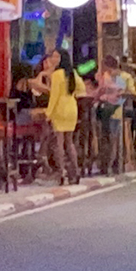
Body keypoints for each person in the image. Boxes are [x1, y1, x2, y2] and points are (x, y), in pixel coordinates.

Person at [46, 49, 84, 184]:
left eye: (56, 56)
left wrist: (48, 113)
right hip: (72, 108)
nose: (53, 59)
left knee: (59, 143)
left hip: (60, 109)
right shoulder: (73, 74)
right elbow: (82, 88)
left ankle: (61, 172)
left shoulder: (56, 75)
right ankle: (76, 171)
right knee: (70, 142)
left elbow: (54, 96)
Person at [94, 56, 127, 175]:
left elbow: (118, 97)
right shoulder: (115, 78)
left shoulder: (117, 79)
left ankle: (109, 165)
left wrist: (104, 96)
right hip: (110, 111)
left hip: (112, 111)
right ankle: (108, 165)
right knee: (109, 138)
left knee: (110, 138)